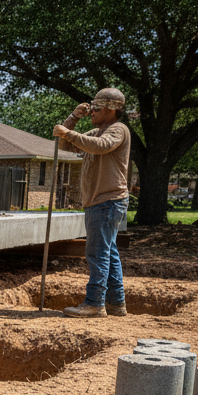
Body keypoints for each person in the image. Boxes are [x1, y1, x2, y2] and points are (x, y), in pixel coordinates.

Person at [53, 88, 131, 318]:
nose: (91, 112)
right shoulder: (96, 132)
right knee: (109, 252)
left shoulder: (118, 130)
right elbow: (64, 146)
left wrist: (68, 132)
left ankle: (94, 303)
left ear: (111, 109)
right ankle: (116, 304)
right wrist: (73, 118)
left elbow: (100, 146)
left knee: (98, 253)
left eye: (96, 108)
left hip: (107, 200)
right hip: (100, 201)